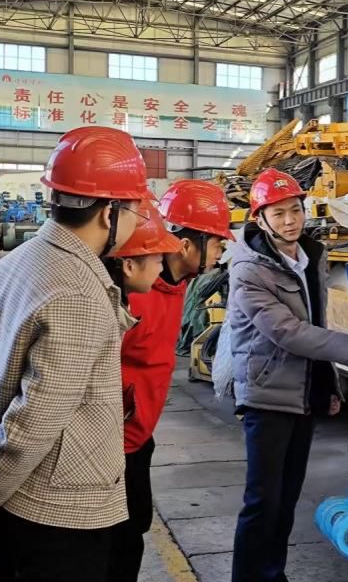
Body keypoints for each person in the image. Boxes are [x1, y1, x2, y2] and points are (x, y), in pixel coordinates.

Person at [0, 126, 150, 582]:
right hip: (53, 512)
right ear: (109, 212)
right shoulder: (77, 290)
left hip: (15, 503)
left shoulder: (14, 263)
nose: (136, 223)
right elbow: (34, 420)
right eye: (134, 210)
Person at [228, 168, 348, 582]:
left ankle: (272, 574)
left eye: (295, 210)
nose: (290, 220)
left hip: (302, 392)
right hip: (267, 394)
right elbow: (288, 331)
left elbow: (318, 320)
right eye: (278, 213)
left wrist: (328, 386)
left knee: (286, 499)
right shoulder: (249, 269)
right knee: (262, 501)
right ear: (260, 219)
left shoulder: (312, 256)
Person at [106, 181, 234, 582]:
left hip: (139, 435)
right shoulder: (134, 292)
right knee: (115, 543)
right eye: (216, 243)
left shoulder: (178, 284)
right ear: (187, 244)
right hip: (110, 443)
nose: (220, 251)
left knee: (135, 529)